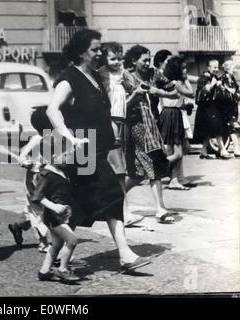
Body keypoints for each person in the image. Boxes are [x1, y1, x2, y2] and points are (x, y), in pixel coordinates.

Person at [47, 29, 151, 272]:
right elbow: (53, 110)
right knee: (112, 194)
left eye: (99, 49)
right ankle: (125, 255)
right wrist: (69, 137)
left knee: (81, 204)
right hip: (83, 148)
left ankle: (51, 259)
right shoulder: (69, 78)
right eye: (94, 49)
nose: (99, 54)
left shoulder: (94, 76)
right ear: (81, 51)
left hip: (98, 147)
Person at [122, 45, 179, 223]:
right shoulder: (126, 77)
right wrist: (135, 94)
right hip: (136, 125)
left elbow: (175, 92)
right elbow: (120, 106)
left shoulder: (155, 74)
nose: (148, 63)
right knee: (153, 162)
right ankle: (160, 209)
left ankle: (116, 195)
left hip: (153, 125)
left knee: (138, 174)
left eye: (149, 59)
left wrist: (159, 92)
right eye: (144, 60)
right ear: (133, 60)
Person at [99, 42, 144, 227]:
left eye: (119, 58)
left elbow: (130, 90)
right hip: (109, 120)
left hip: (121, 119)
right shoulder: (101, 73)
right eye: (113, 58)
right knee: (117, 169)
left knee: (120, 168)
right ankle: (123, 211)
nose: (117, 62)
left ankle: (122, 210)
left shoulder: (122, 73)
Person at [33, 137, 81, 283]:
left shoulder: (60, 170)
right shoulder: (46, 175)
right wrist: (54, 206)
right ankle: (63, 269)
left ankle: (44, 271)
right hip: (53, 216)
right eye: (66, 155)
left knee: (57, 244)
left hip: (60, 215)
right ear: (53, 156)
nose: (70, 158)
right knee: (72, 240)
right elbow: (37, 197)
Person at [8, 108, 51, 253]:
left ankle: (18, 226)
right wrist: (26, 162)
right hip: (36, 177)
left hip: (48, 176)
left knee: (36, 208)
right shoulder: (38, 138)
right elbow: (22, 155)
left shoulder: (53, 137)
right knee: (40, 210)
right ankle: (43, 242)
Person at [159, 56, 195, 190]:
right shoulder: (177, 83)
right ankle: (157, 166)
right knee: (178, 153)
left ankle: (174, 180)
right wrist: (186, 80)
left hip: (173, 114)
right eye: (183, 68)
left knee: (176, 151)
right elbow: (191, 93)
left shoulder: (170, 82)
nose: (185, 70)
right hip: (172, 115)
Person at [194, 59, 231, 159]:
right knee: (217, 127)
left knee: (209, 130)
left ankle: (203, 151)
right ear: (208, 67)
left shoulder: (213, 77)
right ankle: (223, 150)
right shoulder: (203, 78)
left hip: (212, 107)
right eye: (214, 67)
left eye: (217, 67)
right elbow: (203, 92)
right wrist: (213, 84)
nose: (216, 69)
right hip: (206, 108)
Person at [218, 59, 240, 157]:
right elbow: (228, 93)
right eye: (233, 68)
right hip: (227, 107)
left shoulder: (232, 78)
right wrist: (235, 94)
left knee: (229, 128)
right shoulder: (224, 78)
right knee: (233, 128)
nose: (234, 70)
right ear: (227, 69)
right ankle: (236, 149)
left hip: (232, 107)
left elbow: (235, 91)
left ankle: (220, 149)